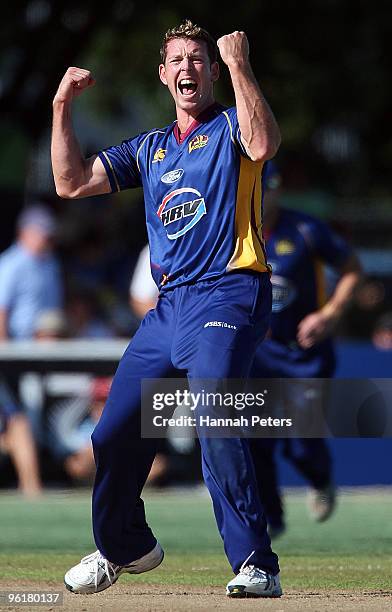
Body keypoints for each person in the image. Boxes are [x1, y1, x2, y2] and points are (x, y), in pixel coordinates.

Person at [51, 20, 282, 598]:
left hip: (230, 288)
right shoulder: (151, 149)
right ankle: (123, 546)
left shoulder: (231, 125)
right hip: (170, 305)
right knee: (113, 433)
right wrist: (60, 106)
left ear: (211, 70)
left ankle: (256, 564)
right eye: (177, 60)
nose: (187, 69)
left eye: (198, 60)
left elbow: (264, 144)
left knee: (215, 412)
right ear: (163, 74)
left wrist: (240, 66)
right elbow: (71, 183)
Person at [248, 161, 363, 537]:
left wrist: (328, 315)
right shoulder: (233, 231)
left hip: (304, 353)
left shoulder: (306, 230)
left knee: (300, 443)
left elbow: (351, 269)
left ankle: (320, 478)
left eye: (266, 188)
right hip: (257, 354)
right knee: (256, 441)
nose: (261, 197)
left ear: (277, 188)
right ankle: (271, 521)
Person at [0, 204, 63, 339]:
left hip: (48, 343)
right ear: (25, 232)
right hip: (19, 347)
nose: (46, 238)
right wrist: (4, 352)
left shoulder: (51, 262)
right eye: (41, 231)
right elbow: (1, 309)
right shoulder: (10, 264)